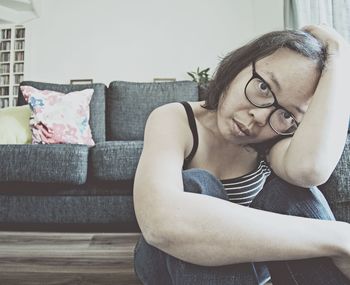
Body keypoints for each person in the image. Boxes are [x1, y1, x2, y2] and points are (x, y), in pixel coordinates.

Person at [133, 24, 350, 285]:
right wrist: (338, 236)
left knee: (293, 190)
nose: (259, 117)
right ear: (240, 66)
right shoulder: (174, 119)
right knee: (197, 183)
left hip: (250, 268)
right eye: (264, 87)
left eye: (285, 114)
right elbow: (160, 222)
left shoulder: (273, 141)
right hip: (165, 261)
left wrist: (339, 56)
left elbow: (310, 170)